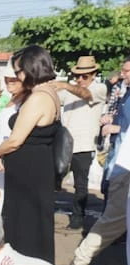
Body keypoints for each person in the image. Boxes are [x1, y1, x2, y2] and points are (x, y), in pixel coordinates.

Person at [0, 45, 60, 264]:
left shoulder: (39, 97)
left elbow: (15, 140)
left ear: (32, 68)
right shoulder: (48, 92)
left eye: (19, 71)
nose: (18, 75)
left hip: (29, 173)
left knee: (26, 225)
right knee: (34, 223)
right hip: (33, 168)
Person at [66, 56, 130, 265]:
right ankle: (81, 259)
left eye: (127, 71)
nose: (124, 75)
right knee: (114, 218)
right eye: (123, 71)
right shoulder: (123, 95)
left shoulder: (104, 89)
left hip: (112, 160)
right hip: (123, 167)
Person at [49, 55, 107, 230]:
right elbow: (55, 100)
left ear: (94, 74)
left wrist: (66, 85)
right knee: (52, 179)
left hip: (84, 145)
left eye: (85, 76)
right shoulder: (70, 90)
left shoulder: (100, 88)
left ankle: (77, 218)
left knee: (80, 184)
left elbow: (86, 94)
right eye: (77, 76)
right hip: (64, 144)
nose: (80, 80)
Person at [0, 62, 21, 196]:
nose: (9, 83)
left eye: (14, 79)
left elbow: (16, 138)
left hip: (7, 157)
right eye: (7, 79)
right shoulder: (11, 99)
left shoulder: (26, 102)